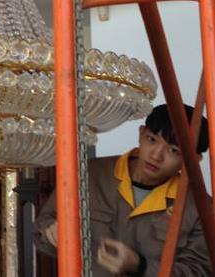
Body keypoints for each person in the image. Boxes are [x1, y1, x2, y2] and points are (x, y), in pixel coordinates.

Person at [34, 104, 210, 275]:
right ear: (141, 133)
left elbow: (200, 270)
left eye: (173, 151)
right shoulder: (90, 174)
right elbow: (41, 229)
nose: (156, 156)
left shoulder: (200, 207)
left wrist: (141, 267)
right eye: (152, 140)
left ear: (194, 160)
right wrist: (51, 232)